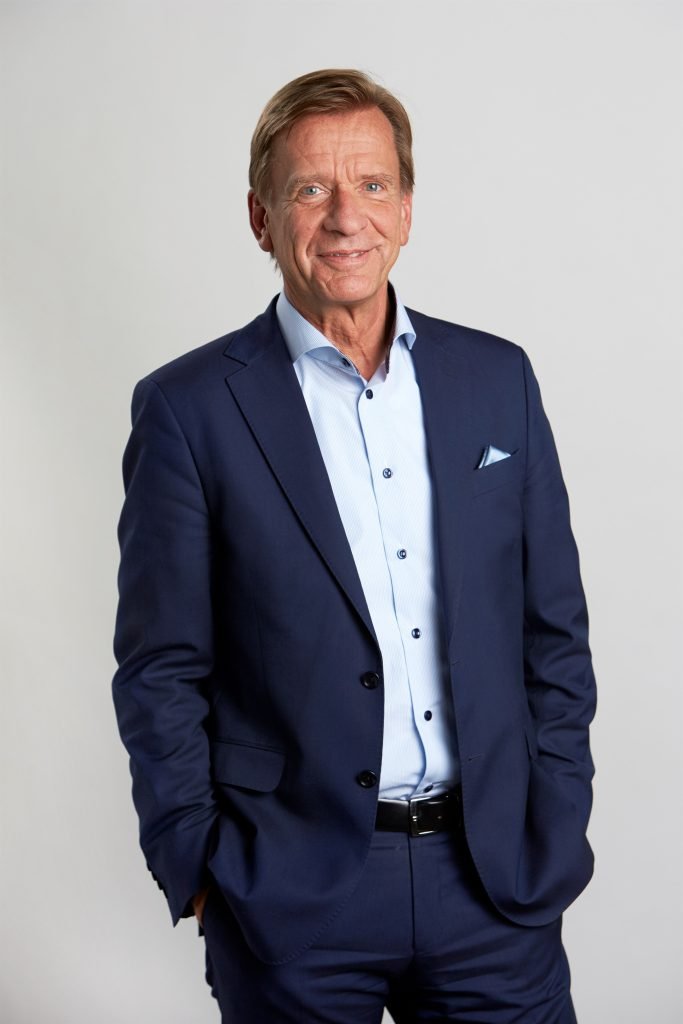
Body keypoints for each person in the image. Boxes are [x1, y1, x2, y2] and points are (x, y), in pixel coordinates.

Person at [113, 68, 596, 1023]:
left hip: (493, 881)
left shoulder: (497, 379)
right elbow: (160, 665)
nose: (346, 217)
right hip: (291, 896)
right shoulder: (188, 409)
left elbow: (554, 632)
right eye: (311, 188)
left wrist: (554, 814)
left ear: (406, 209)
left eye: (373, 184)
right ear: (260, 219)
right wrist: (199, 865)